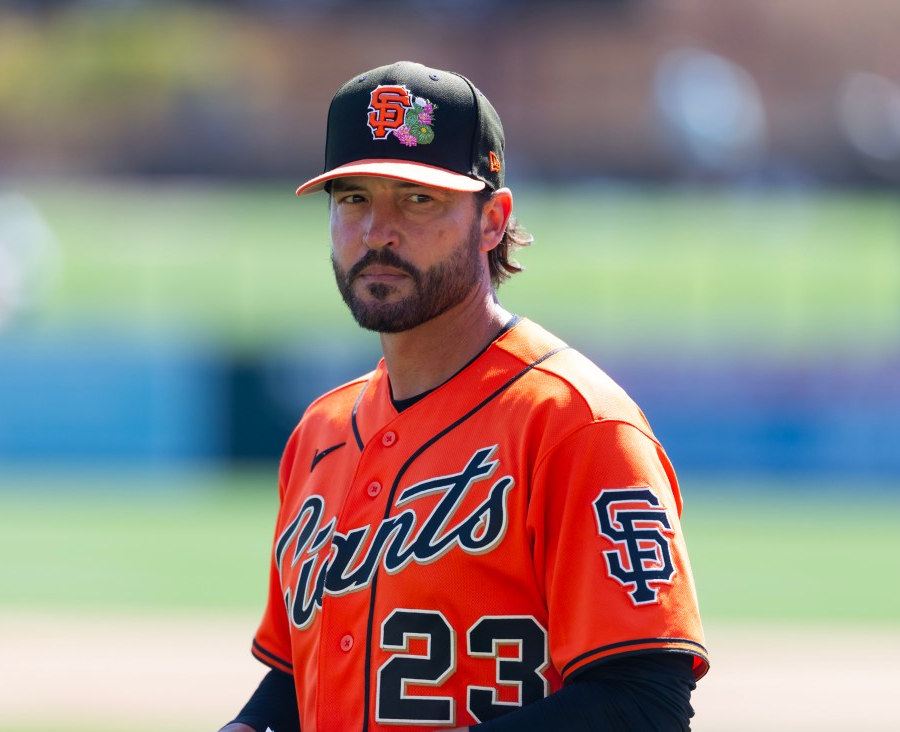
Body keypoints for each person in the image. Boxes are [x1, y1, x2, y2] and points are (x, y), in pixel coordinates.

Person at [220, 60, 708, 732]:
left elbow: (643, 701)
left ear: (491, 219)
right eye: (353, 198)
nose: (377, 231)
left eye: (418, 199)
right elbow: (301, 677)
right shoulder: (321, 432)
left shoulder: (576, 424)